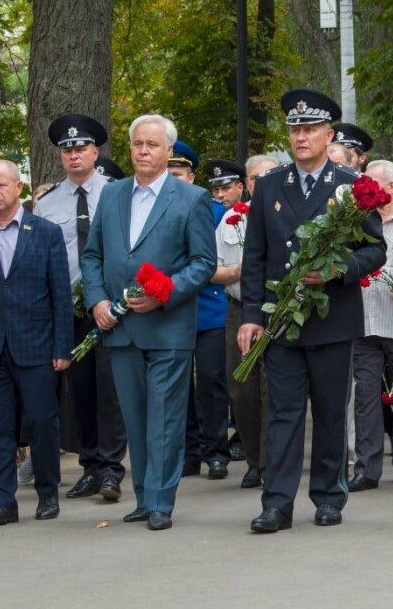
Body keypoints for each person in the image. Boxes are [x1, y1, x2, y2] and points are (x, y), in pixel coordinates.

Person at [238, 88, 386, 533]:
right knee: (282, 412)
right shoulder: (269, 185)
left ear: (328, 134)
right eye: (294, 129)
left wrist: (339, 268)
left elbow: (375, 250)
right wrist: (250, 315)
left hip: (331, 318)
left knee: (328, 411)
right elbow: (256, 256)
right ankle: (277, 502)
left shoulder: (348, 187)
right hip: (281, 319)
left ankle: (327, 495)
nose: (300, 137)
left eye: (309, 129)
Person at [82, 114, 218, 531]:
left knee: (165, 416)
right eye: (138, 144)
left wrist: (164, 292)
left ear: (168, 151)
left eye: (152, 145)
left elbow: (203, 263)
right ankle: (143, 495)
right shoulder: (111, 195)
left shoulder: (190, 198)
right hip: (120, 326)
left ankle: (161, 501)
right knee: (135, 416)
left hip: (168, 326)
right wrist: (97, 301)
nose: (143, 151)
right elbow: (92, 257)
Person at [0, 160, 73, 526]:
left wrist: (62, 347)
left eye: (1, 185)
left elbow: (60, 296)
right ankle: (2, 501)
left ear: (18, 186)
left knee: (42, 421)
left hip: (36, 345)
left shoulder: (45, 232)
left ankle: (47, 493)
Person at [32, 113, 127, 503]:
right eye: (67, 150)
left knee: (111, 388)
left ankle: (111, 468)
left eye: (80, 148)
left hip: (113, 305)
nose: (74, 155)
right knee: (81, 390)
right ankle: (89, 465)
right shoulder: (47, 203)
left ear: (95, 151)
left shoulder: (119, 193)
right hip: (70, 309)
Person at [349, 160, 393, 490]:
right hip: (363, 325)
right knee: (365, 399)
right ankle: (367, 468)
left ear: (391, 187)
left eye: (371, 183)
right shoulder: (355, 223)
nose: (363, 189)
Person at [167, 141, 233, 481]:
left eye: (177, 174)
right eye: (168, 175)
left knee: (211, 380)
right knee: (179, 387)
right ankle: (188, 452)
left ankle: (216, 451)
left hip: (209, 308)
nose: (172, 180)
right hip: (173, 309)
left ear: (191, 177)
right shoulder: (157, 210)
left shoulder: (218, 213)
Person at [216, 154, 278, 489]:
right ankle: (253, 460)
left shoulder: (287, 213)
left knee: (274, 388)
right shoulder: (230, 219)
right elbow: (210, 267)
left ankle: (271, 462)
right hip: (239, 309)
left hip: (277, 310)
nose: (261, 182)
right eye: (255, 178)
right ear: (247, 184)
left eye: (269, 175)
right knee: (242, 389)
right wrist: (236, 272)